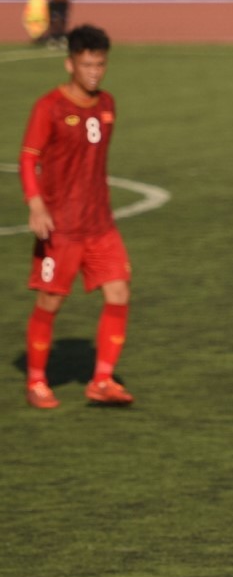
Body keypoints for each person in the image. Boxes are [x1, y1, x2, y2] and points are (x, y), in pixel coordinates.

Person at [20, 24, 134, 408]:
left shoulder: (107, 106)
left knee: (119, 291)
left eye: (100, 65)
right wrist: (36, 203)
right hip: (62, 229)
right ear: (70, 63)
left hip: (100, 224)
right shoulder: (49, 107)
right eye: (87, 65)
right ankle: (36, 381)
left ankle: (101, 380)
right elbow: (29, 158)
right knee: (50, 303)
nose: (94, 72)